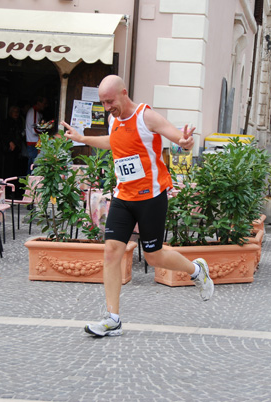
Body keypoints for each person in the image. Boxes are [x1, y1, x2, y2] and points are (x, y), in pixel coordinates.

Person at [61, 75, 214, 337]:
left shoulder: (146, 116)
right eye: (103, 102)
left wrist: (185, 142)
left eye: (110, 101)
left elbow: (176, 136)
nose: (107, 107)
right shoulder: (113, 119)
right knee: (111, 252)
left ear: (124, 93)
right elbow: (113, 142)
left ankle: (197, 270)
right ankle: (112, 318)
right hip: (123, 197)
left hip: (151, 197)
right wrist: (83, 138)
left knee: (154, 256)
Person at [0, 105, 25, 179]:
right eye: (14, 112)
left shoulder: (19, 122)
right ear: (10, 113)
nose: (16, 114)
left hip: (17, 149)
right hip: (8, 149)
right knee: (7, 168)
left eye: (17, 112)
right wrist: (10, 142)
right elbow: (3, 134)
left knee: (15, 168)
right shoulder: (6, 122)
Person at [24, 96, 48, 174]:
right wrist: (45, 129)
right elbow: (34, 129)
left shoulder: (37, 113)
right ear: (38, 103)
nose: (46, 105)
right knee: (33, 166)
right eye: (44, 103)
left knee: (33, 165)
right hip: (33, 143)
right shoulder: (33, 112)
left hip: (34, 143)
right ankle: (29, 184)